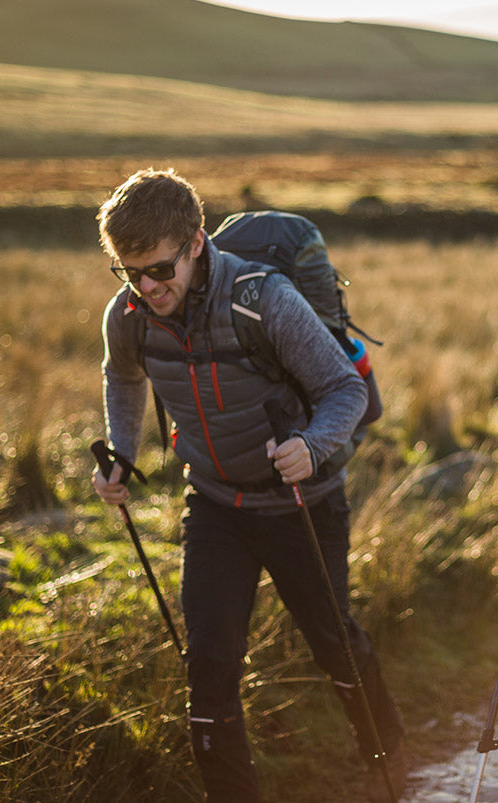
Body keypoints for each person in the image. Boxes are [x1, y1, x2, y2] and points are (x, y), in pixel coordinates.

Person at [92, 168, 405, 802]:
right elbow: (123, 379)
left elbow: (344, 389)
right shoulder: (127, 314)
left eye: (159, 270)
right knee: (207, 672)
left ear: (196, 243)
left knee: (333, 647)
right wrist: (121, 456)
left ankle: (389, 757)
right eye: (131, 273)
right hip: (213, 505)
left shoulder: (264, 300)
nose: (147, 287)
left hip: (302, 504)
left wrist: (312, 447)